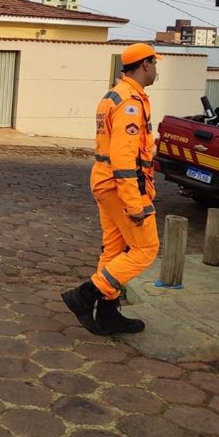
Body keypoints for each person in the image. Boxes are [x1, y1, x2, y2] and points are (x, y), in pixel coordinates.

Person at [62, 43, 162, 335]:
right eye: (155, 63)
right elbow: (124, 156)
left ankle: (107, 313)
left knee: (116, 249)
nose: (157, 70)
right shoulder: (130, 101)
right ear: (145, 65)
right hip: (122, 187)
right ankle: (85, 295)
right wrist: (135, 203)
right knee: (146, 248)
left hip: (106, 183)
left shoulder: (114, 95)